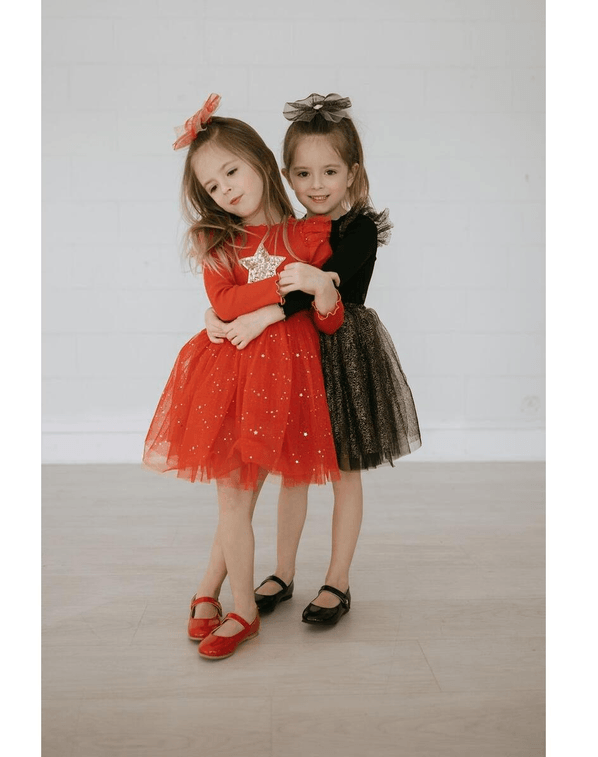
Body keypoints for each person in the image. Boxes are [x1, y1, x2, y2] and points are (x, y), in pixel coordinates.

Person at [206, 93, 421, 627]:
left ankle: (337, 578)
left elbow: (328, 283)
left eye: (330, 172)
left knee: (345, 472)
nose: (317, 185)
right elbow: (259, 277)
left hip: (345, 354)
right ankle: (282, 572)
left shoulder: (360, 229)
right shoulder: (294, 230)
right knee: (293, 473)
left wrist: (268, 313)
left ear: (353, 174)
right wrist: (223, 314)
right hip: (293, 358)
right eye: (303, 174)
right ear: (286, 176)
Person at [143, 94, 344, 660]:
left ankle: (209, 589)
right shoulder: (218, 240)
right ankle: (243, 611)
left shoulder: (310, 235)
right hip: (231, 378)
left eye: (231, 171)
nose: (225, 190)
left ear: (260, 160)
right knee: (233, 497)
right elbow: (226, 303)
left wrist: (316, 287)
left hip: (289, 382)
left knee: (252, 494)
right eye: (212, 186)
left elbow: (328, 318)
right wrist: (285, 286)